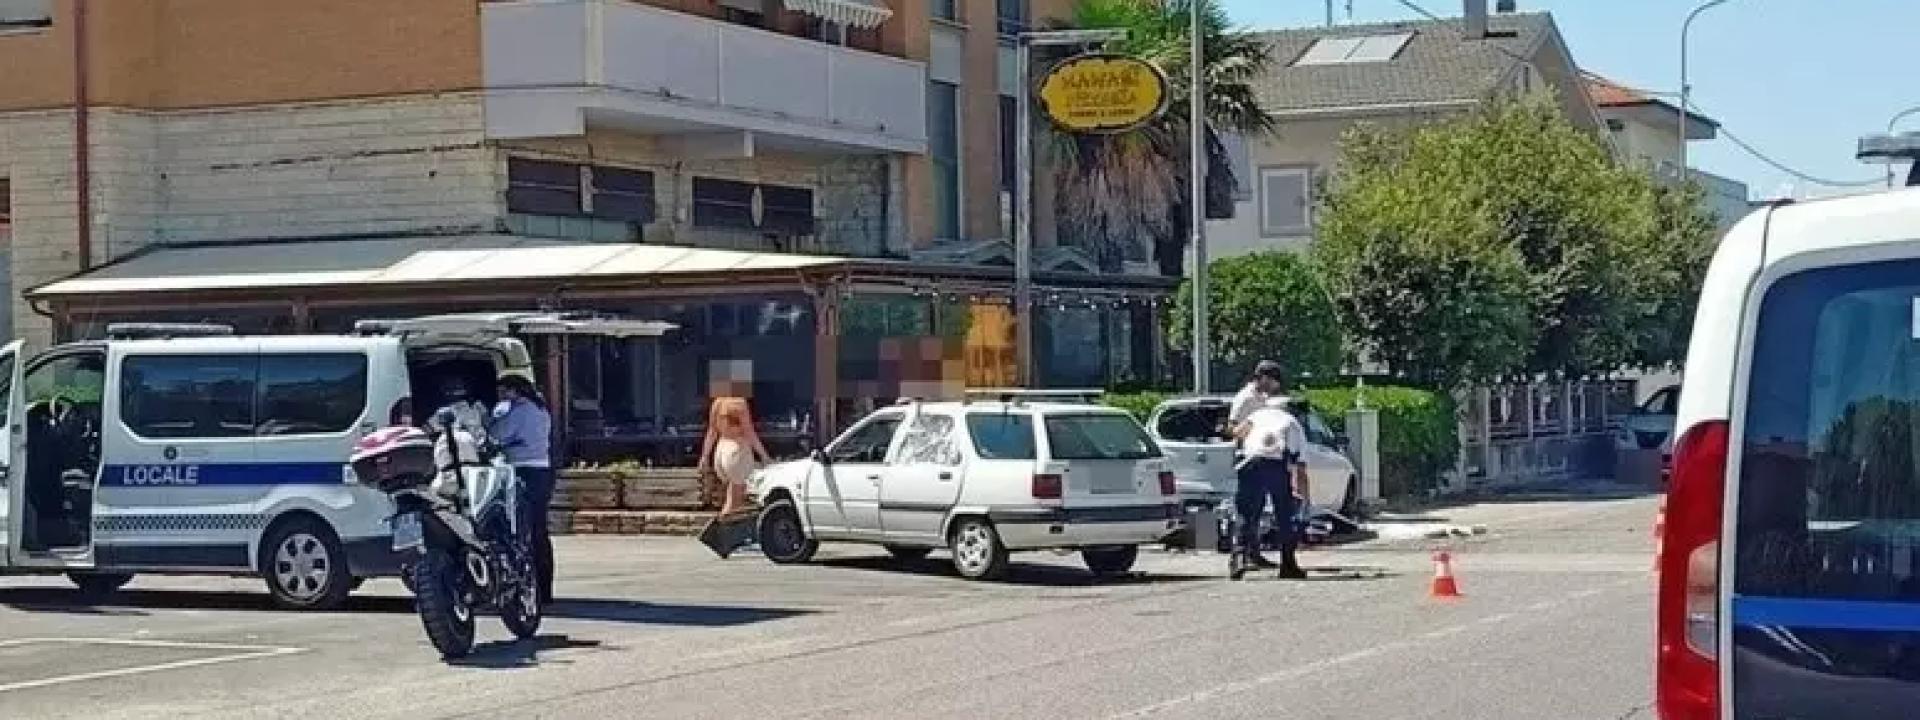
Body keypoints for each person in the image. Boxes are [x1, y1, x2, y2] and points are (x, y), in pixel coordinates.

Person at [1228, 361, 1310, 580]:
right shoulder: (1292, 423)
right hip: (1274, 465)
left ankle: (1237, 559)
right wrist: (1303, 499)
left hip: (1248, 463)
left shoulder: (1256, 416)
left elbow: (1236, 433)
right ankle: (1288, 565)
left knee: (1246, 513)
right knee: (1284, 515)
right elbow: (1300, 467)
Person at [490, 374, 555, 604]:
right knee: (539, 529)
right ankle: (544, 588)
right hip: (542, 470)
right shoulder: (541, 410)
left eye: (502, 391)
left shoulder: (517, 412)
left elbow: (497, 435)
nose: (500, 396)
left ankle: (525, 584)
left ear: (513, 391)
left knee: (519, 528)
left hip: (522, 470)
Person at [698, 394, 772, 521]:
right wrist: (764, 455)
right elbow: (749, 432)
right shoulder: (739, 403)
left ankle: (730, 530)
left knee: (732, 497)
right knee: (734, 501)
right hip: (736, 451)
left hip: (721, 450)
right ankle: (721, 532)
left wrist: (705, 456)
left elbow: (712, 431)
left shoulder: (718, 402)